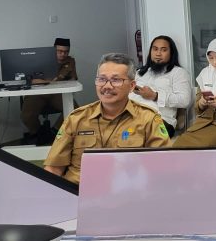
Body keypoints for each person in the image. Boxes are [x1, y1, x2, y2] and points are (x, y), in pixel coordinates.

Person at [44, 53, 170, 184]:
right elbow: (54, 168)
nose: (107, 86)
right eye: (102, 79)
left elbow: (161, 168)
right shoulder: (77, 119)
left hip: (126, 195)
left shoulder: (148, 119)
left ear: (132, 86)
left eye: (116, 80)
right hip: (77, 194)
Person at [129, 35, 191, 137]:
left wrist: (155, 96)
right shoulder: (140, 72)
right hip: (134, 117)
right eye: (155, 49)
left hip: (161, 120)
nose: (158, 53)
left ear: (171, 53)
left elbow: (184, 100)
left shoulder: (178, 73)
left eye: (163, 50)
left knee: (134, 134)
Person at [21, 37, 79, 144]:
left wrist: (67, 80)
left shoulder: (70, 61)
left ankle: (55, 132)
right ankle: (39, 132)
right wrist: (40, 81)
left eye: (66, 52)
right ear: (54, 50)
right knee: (26, 115)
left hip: (57, 93)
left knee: (75, 111)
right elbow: (30, 79)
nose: (63, 54)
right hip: (39, 92)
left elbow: (73, 79)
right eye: (60, 51)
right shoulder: (40, 59)